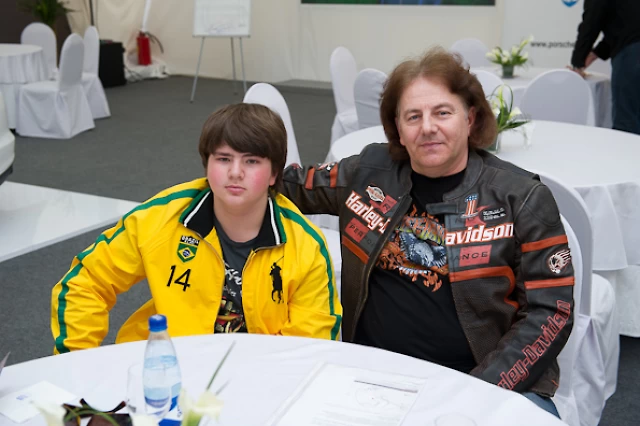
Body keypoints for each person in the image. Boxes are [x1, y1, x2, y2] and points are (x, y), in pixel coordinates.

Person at [281, 47, 574, 416]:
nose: (428, 127)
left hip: (487, 383)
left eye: (442, 112)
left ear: (470, 118)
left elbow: (551, 311)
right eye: (413, 116)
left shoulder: (520, 197)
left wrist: (479, 391)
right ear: (398, 129)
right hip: (374, 379)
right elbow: (286, 184)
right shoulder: (368, 173)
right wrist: (232, 164)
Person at [51, 103, 342, 354]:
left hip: (257, 376)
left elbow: (310, 343)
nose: (235, 172)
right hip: (165, 367)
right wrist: (78, 363)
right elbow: (84, 283)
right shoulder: (162, 217)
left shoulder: (305, 247)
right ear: (207, 165)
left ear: (274, 173)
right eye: (223, 159)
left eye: (252, 161)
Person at [569, 0, 640, 135]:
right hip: (632, 50)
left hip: (631, 58)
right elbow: (626, 25)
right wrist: (592, 56)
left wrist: (577, 64)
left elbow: (590, 25)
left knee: (626, 126)